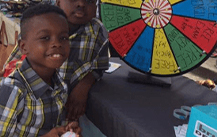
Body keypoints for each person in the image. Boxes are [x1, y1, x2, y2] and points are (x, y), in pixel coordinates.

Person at [1, 0, 109, 121]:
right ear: (58, 2)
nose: (81, 4)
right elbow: (12, 67)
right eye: (45, 38)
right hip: (29, 109)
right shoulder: (38, 24)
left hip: (63, 112)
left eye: (89, 1)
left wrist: (83, 86)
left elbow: (99, 66)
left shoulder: (98, 32)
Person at [0, 4, 81, 136]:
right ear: (23, 47)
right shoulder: (13, 90)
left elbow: (53, 126)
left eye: (63, 38)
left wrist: (67, 130)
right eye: (45, 38)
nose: (57, 44)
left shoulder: (59, 86)